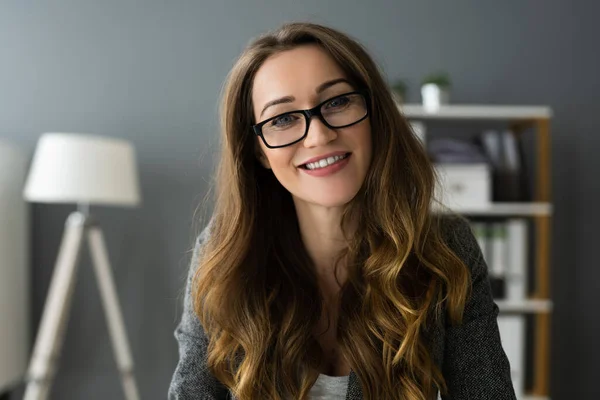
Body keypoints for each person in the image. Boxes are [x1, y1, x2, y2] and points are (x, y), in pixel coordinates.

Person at [169, 22, 516, 400]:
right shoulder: (224, 255)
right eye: (282, 119)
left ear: (373, 115)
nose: (319, 135)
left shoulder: (445, 249)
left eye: (337, 102)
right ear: (258, 152)